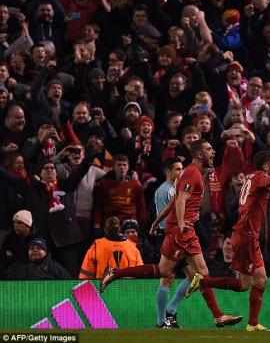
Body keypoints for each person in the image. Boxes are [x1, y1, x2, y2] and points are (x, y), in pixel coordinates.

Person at [100, 140, 242, 329]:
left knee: (166, 271)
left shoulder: (187, 174)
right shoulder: (192, 174)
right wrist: (183, 224)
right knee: (200, 273)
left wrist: (156, 222)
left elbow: (174, 201)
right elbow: (181, 200)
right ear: (199, 154)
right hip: (182, 231)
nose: (213, 151)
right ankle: (216, 315)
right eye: (209, 149)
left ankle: (115, 274)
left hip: (179, 230)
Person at [185, 149, 270, 332]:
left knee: (249, 283)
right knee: (259, 280)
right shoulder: (260, 177)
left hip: (244, 234)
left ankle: (252, 323)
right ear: (266, 167)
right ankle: (204, 283)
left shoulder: (252, 178)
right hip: (247, 236)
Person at [150, 157, 192, 329]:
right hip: (168, 237)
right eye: (178, 169)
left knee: (195, 276)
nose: (181, 172)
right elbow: (165, 219)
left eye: (182, 169)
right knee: (167, 279)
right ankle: (162, 321)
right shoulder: (164, 191)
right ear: (168, 171)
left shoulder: (176, 189)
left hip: (176, 237)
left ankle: (170, 310)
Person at [79, 216, 143, 279]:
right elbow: (140, 272)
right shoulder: (132, 246)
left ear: (105, 230)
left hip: (104, 287)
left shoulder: (97, 245)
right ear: (119, 229)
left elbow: (86, 274)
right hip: (128, 287)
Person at [6, 237, 70, 279]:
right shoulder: (19, 266)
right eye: (32, 248)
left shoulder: (55, 267)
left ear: (45, 252)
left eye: (39, 248)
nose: (35, 250)